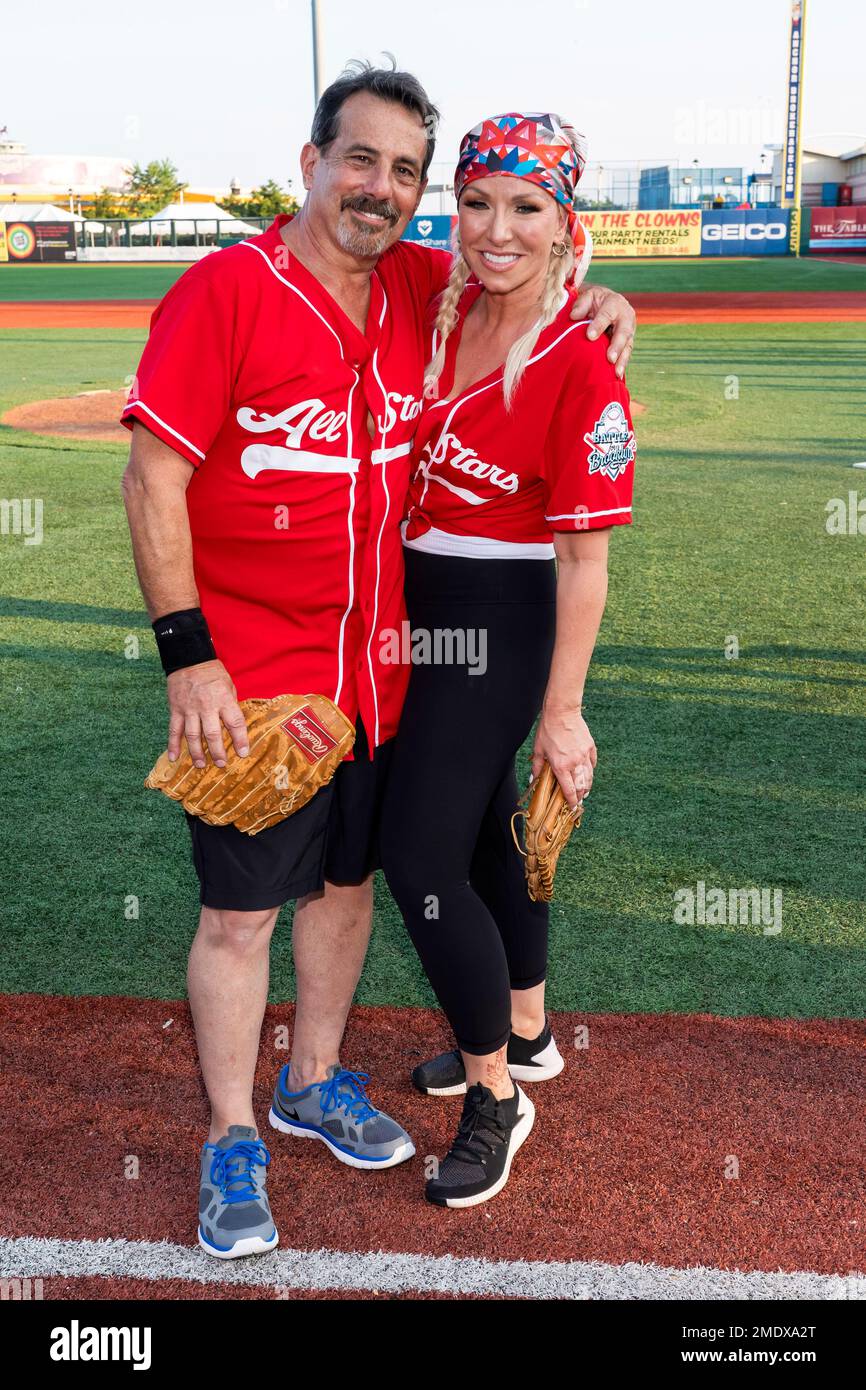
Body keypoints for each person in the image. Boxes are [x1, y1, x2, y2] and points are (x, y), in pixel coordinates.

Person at [120, 65, 637, 1258]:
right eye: (361, 159)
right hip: (252, 677)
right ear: (308, 160)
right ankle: (230, 1132)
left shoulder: (419, 283)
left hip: (384, 668)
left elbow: (533, 278)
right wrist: (186, 656)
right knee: (243, 911)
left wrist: (605, 302)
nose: (383, 189)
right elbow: (152, 474)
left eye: (407, 171)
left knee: (353, 884)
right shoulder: (228, 292)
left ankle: (310, 1079)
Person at [380, 111, 636, 1209]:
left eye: (526, 207)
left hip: (500, 613)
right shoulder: (436, 302)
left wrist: (562, 710)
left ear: (563, 220)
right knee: (486, 838)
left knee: (417, 854)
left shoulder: (582, 358)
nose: (497, 228)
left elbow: (583, 564)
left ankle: (496, 1097)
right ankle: (526, 1033)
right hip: (416, 599)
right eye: (477, 200)